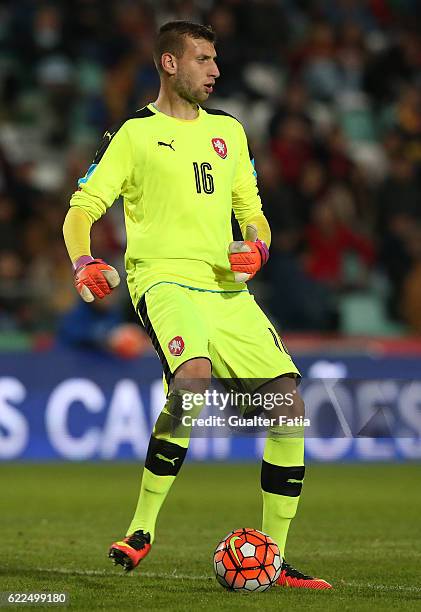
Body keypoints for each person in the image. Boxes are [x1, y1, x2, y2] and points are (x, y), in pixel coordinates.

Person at [63, 21, 331, 590]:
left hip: (228, 292)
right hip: (163, 281)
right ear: (169, 63)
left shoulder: (229, 132)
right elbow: (81, 209)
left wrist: (257, 247)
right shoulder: (133, 135)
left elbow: (252, 211)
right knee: (193, 380)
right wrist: (84, 261)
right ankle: (141, 529)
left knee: (288, 406)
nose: (215, 70)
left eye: (216, 60)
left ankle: (274, 560)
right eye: (204, 59)